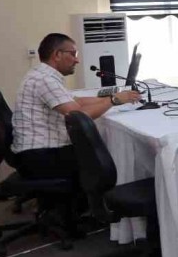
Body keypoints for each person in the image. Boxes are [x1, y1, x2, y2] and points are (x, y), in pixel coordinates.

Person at [11, 33, 141, 180]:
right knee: (106, 157)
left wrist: (112, 98)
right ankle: (109, 199)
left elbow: (77, 102)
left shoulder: (42, 75)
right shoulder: (44, 80)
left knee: (98, 149)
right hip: (40, 157)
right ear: (57, 55)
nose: (77, 60)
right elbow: (78, 115)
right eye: (73, 54)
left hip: (35, 152)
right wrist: (114, 100)